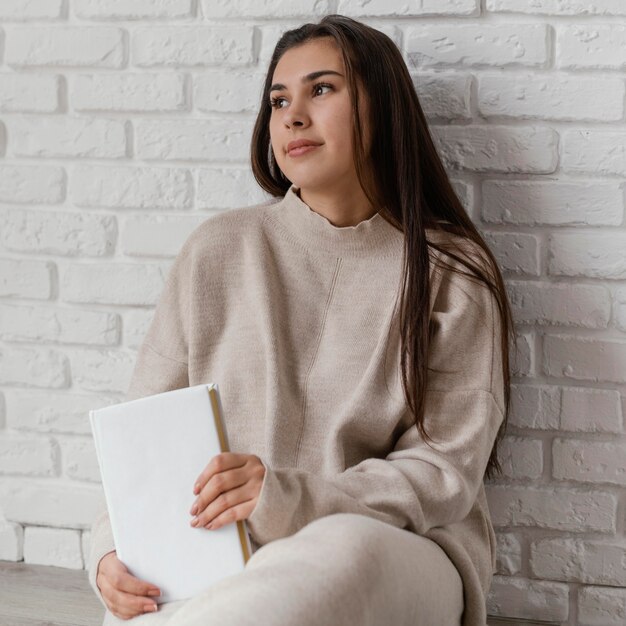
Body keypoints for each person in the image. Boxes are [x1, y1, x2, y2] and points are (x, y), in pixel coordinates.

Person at [87, 14, 515, 626]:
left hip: (400, 546)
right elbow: (140, 444)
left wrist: (286, 498)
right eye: (278, 99)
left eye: (322, 89)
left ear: (383, 107)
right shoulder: (218, 251)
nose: (292, 116)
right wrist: (107, 551)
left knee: (340, 554)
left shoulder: (451, 272)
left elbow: (443, 471)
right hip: (225, 554)